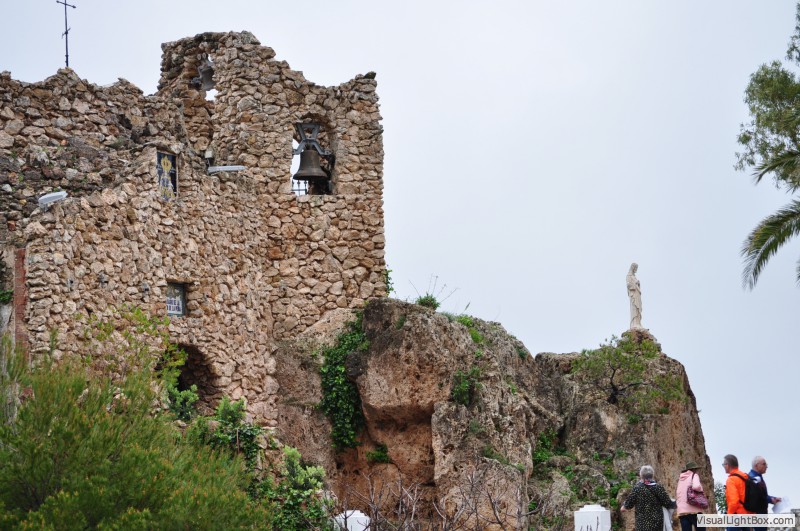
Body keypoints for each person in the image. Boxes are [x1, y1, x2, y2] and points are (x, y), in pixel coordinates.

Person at [621, 465, 676, 531]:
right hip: (657, 524)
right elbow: (668, 503)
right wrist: (676, 503)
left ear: (641, 475)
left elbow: (628, 504)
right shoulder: (658, 487)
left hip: (642, 524)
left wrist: (624, 507)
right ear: (652, 475)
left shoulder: (637, 488)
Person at [749, 456, 781, 531]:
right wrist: (771, 500)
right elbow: (757, 496)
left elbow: (762, 494)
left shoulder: (757, 477)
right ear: (756, 465)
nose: (766, 466)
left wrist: (773, 498)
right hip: (757, 515)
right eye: (764, 464)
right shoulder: (753, 478)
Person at [722, 454, 752, 531]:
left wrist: (729, 514)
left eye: (723, 464)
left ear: (727, 465)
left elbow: (734, 501)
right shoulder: (745, 477)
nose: (723, 466)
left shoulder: (731, 480)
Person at [675, 461, 705, 531]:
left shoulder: (681, 479)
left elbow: (678, 493)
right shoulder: (694, 475)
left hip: (682, 512)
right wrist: (701, 490)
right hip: (695, 510)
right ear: (694, 469)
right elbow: (696, 486)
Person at [627, 263, 643, 329]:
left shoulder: (634, 276)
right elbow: (628, 286)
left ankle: (638, 323)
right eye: (636, 268)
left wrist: (638, 284)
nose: (636, 270)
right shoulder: (629, 276)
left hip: (637, 293)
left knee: (638, 308)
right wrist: (635, 283)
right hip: (633, 294)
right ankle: (634, 323)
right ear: (633, 268)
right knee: (634, 307)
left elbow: (636, 285)